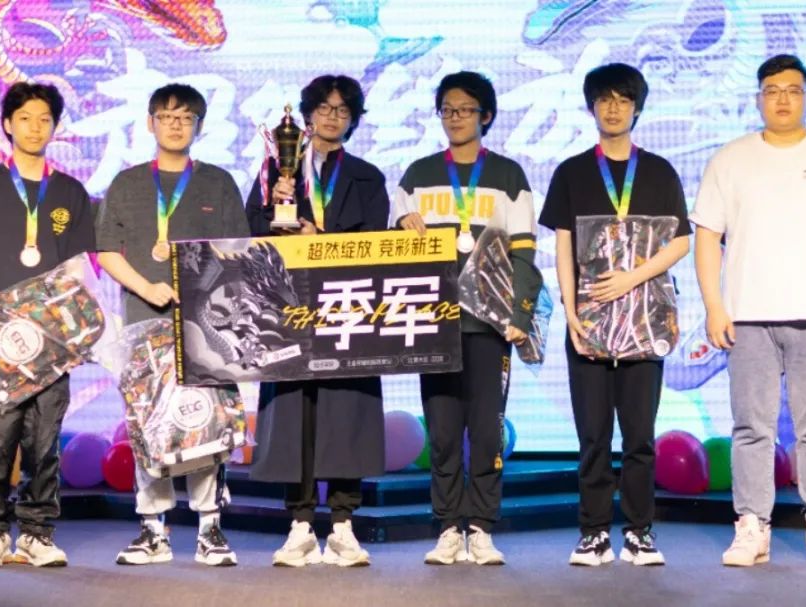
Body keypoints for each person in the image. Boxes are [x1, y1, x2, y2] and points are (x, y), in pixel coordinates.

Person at [691, 54, 806, 568]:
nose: (783, 99)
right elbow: (706, 236)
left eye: (793, 90)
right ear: (758, 99)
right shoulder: (730, 159)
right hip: (748, 316)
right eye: (772, 90)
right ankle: (752, 525)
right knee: (751, 427)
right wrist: (714, 305)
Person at [539, 63, 691, 567]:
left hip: (646, 320)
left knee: (640, 437)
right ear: (591, 107)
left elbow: (681, 241)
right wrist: (571, 309)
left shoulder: (660, 171)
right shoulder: (572, 172)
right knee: (593, 436)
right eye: (604, 99)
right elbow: (563, 246)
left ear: (637, 108)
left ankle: (640, 533)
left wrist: (631, 278)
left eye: (623, 100)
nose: (613, 108)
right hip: (590, 323)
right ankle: (593, 534)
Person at [95, 83, 250, 567]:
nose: (175, 125)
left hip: (206, 327)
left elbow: (238, 252)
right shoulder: (126, 184)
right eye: (166, 116)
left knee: (207, 424)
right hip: (145, 323)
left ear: (199, 126)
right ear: (150, 123)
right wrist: (147, 286)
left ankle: (210, 530)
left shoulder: (218, 182)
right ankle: (152, 530)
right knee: (149, 423)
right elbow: (105, 253)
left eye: (186, 118)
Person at [392, 71, 540, 566]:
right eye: (447, 110)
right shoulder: (416, 174)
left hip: (490, 326)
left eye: (465, 109)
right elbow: (392, 250)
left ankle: (481, 526)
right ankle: (447, 526)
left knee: (486, 428)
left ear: (486, 116)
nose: (455, 118)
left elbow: (524, 251)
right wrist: (401, 224)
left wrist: (520, 313)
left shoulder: (508, 175)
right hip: (433, 322)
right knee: (443, 431)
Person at [245, 74, 389, 568]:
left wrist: (319, 238)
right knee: (294, 414)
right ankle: (301, 525)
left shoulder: (367, 176)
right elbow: (250, 231)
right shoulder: (275, 170)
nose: (332, 117)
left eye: (342, 110)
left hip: (348, 310)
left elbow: (376, 244)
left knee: (347, 412)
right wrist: (277, 207)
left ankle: (344, 525)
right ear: (306, 117)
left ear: (353, 120)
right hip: (289, 309)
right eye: (324, 108)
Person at [0, 81, 95, 568]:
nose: (35, 128)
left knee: (43, 443)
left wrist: (78, 333)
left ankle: (36, 533)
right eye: (25, 118)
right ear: (7, 124)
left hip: (51, 341)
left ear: (55, 127)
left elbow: (76, 269)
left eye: (44, 119)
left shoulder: (70, 191)